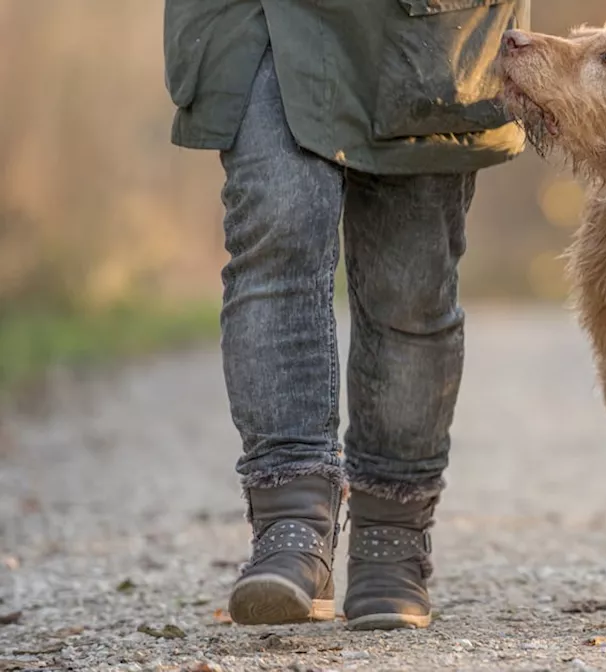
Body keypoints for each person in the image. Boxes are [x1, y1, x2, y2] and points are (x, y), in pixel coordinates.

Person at [162, 0, 529, 630]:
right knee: (275, 234)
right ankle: (290, 522)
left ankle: (392, 534)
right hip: (265, 19)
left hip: (427, 25)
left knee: (411, 283)